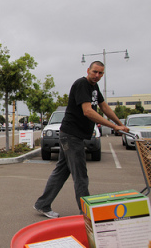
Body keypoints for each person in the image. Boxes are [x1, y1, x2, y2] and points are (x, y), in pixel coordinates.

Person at [34, 61, 129, 218]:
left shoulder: (94, 87)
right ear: (88, 70)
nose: (97, 76)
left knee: (61, 171)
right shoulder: (81, 84)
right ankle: (85, 214)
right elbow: (88, 112)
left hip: (73, 135)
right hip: (71, 136)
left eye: (100, 73)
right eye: (95, 72)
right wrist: (113, 127)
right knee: (81, 176)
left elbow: (104, 107)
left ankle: (42, 204)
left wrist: (120, 124)